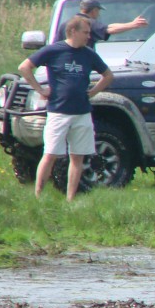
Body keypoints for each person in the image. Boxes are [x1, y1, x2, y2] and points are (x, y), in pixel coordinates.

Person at [18, 15, 113, 201]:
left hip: (82, 113)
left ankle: (70, 199)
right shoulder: (54, 50)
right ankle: (38, 197)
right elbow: (24, 67)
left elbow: (108, 75)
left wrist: (93, 92)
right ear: (72, 31)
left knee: (77, 157)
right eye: (85, 33)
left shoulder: (88, 54)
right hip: (58, 112)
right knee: (50, 154)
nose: (89, 37)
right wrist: (39, 89)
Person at [67, 0, 148, 44]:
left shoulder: (68, 23)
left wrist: (131, 23)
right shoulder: (88, 22)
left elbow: (109, 26)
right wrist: (133, 25)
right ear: (94, 10)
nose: (98, 14)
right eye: (98, 11)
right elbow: (110, 29)